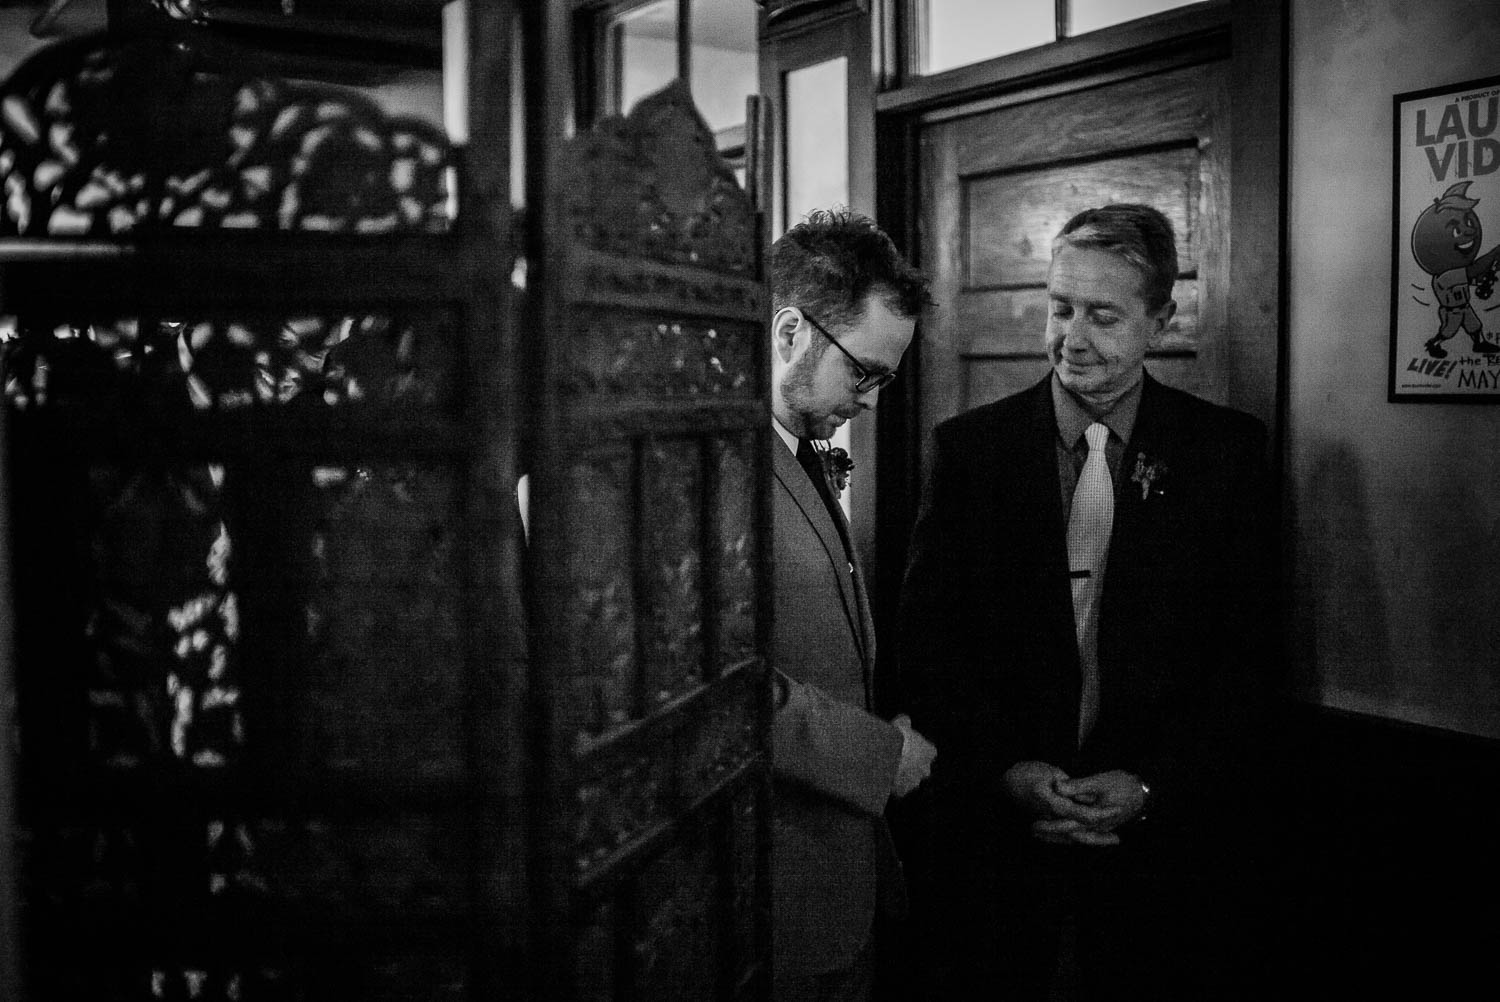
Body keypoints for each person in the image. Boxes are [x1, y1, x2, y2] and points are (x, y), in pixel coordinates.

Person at [899, 204, 1274, 1000]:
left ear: (1161, 320)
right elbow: (929, 645)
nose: (1073, 336)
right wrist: (1005, 770)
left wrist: (1148, 787)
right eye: (1061, 307)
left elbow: (1244, 658)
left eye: (1104, 315)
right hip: (995, 842)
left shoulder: (1227, 454)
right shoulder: (968, 450)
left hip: (1162, 848)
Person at [768, 208, 937, 1002]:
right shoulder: (702, 461)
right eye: (863, 372)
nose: (871, 401)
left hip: (835, 873)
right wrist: (878, 755)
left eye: (885, 381)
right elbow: (707, 685)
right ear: (791, 331)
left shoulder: (795, 447)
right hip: (769, 890)